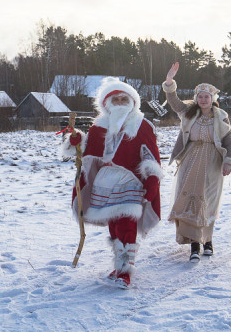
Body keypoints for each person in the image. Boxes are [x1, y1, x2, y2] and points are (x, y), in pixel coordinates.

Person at [61, 77, 163, 288]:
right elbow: (87, 150)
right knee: (114, 226)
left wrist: (152, 180)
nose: (119, 102)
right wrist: (75, 141)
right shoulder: (99, 125)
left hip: (131, 181)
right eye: (114, 99)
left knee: (127, 224)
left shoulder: (142, 125)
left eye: (123, 98)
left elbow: (151, 156)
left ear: (132, 101)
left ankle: (126, 272)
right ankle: (119, 266)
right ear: (107, 103)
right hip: (105, 181)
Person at [162, 62, 231, 262]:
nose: (203, 100)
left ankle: (208, 241)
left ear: (212, 99)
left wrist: (228, 162)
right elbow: (174, 101)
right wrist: (170, 81)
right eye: (200, 97)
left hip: (213, 163)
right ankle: (194, 244)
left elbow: (229, 141)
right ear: (196, 99)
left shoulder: (221, 117)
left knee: (208, 201)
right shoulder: (188, 112)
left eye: (207, 97)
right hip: (191, 159)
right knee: (190, 200)